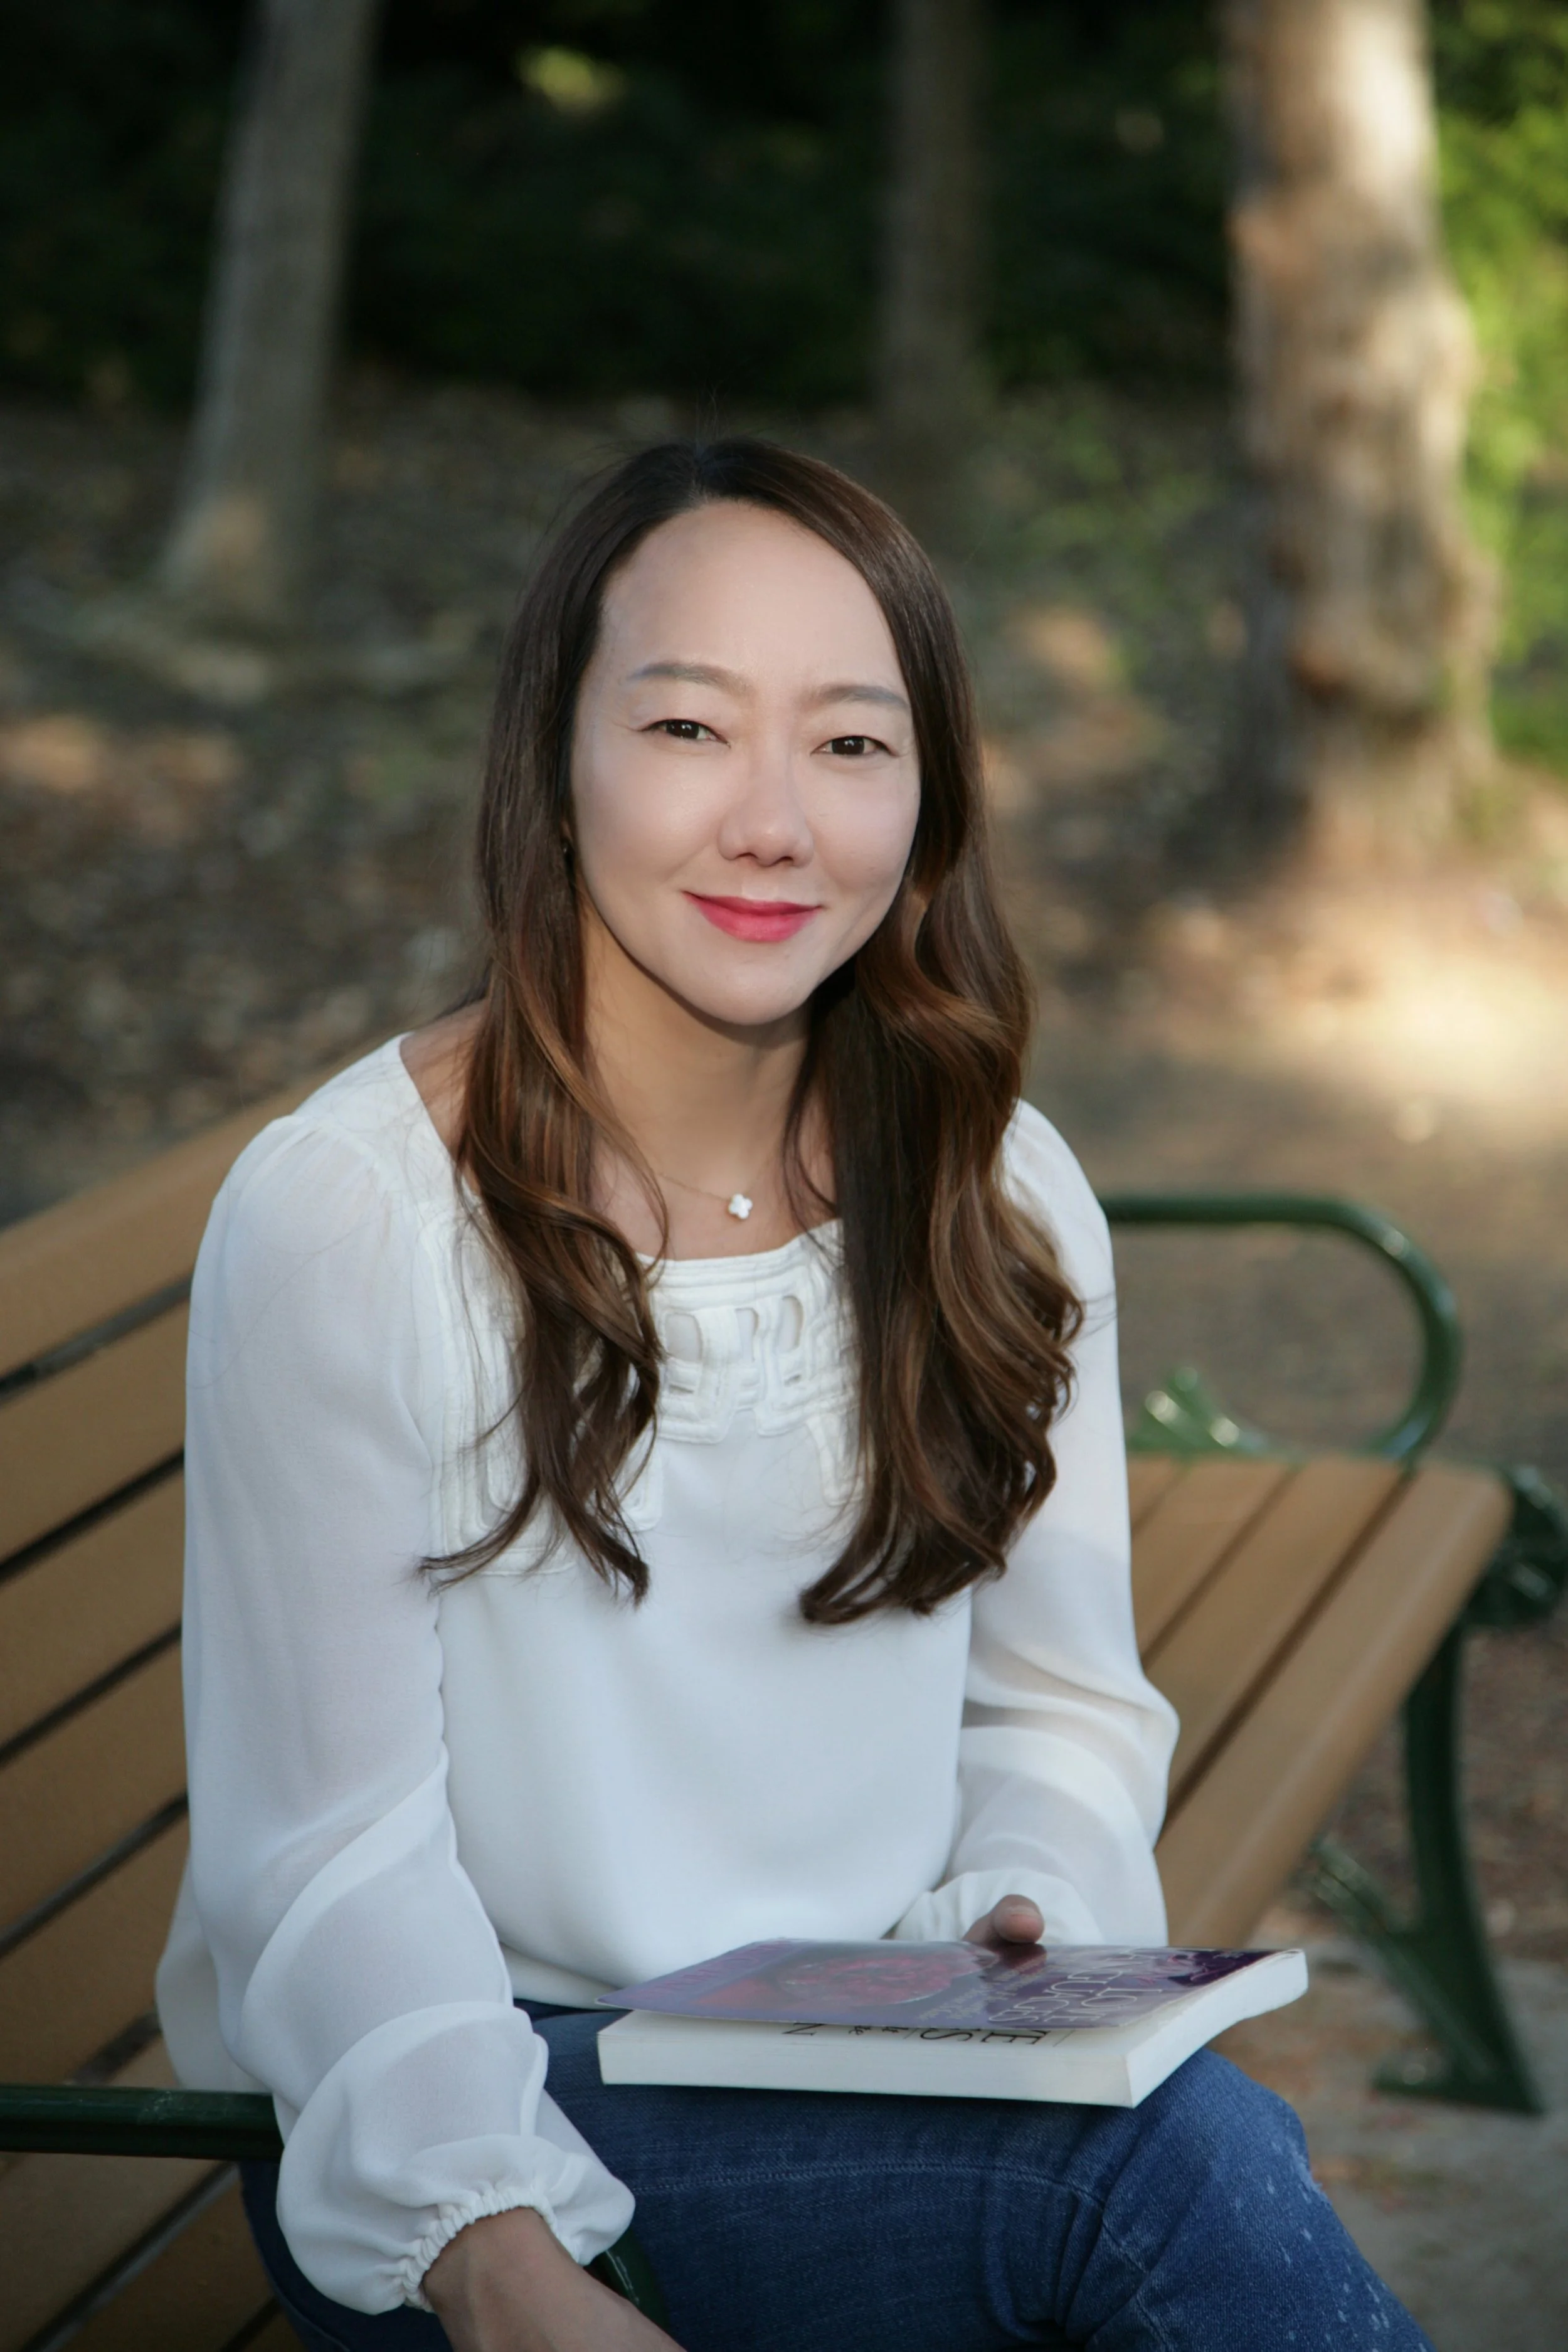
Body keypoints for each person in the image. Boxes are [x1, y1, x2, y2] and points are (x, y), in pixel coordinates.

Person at [156, 438, 1433, 2352]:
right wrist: (506, 2263)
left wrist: (1024, 1913)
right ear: (556, 758)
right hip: (469, 2103)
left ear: (925, 807)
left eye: (849, 745)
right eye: (688, 725)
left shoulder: (990, 1188)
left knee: (1156, 2150)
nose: (774, 822)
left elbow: (1055, 1703)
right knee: (1168, 2174)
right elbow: (327, 1861)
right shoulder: (358, 1218)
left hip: (870, 2053)